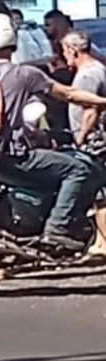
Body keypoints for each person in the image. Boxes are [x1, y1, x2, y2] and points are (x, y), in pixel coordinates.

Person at [0, 12, 106, 251]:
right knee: (77, 168)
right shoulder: (25, 74)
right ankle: (56, 228)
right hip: (12, 157)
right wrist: (101, 101)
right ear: (14, 40)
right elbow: (69, 94)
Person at [62, 29, 106, 256]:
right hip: (98, 139)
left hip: (94, 141)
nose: (64, 56)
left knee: (99, 195)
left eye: (65, 50)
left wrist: (80, 137)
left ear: (73, 50)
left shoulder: (87, 75)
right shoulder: (99, 69)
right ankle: (100, 241)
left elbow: (91, 110)